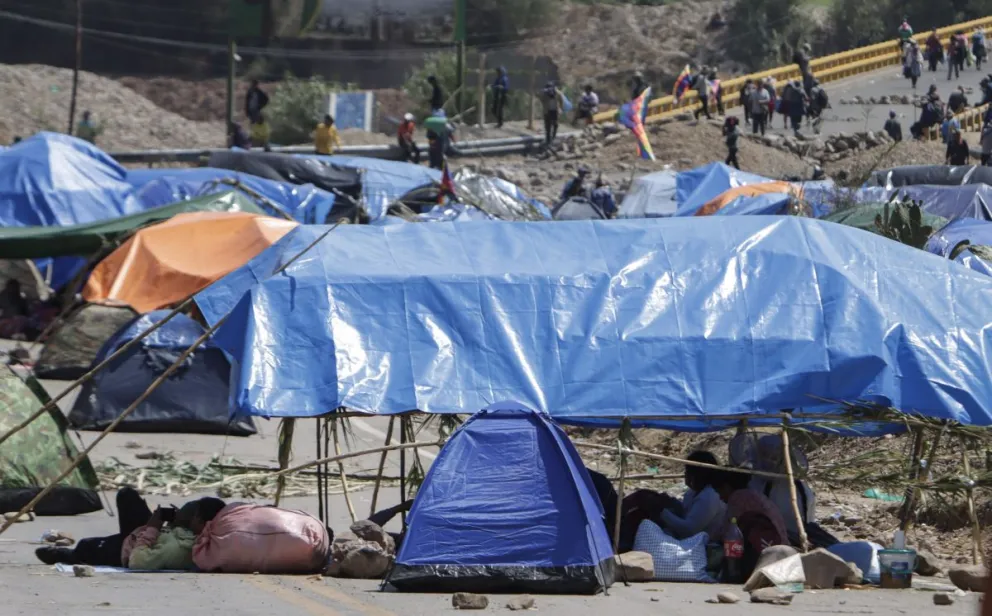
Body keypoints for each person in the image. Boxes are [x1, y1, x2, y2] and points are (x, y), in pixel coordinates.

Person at [713, 470, 789, 577]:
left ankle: (733, 574)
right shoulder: (754, 494)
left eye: (720, 491)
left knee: (728, 545)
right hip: (780, 548)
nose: (720, 497)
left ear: (726, 486)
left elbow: (727, 530)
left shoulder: (738, 497)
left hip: (763, 549)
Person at [746, 435, 816, 543]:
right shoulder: (803, 487)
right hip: (801, 542)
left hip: (773, 545)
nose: (770, 460)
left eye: (774, 457)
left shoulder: (756, 487)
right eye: (766, 455)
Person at [122, 498, 226, 570]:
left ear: (199, 521)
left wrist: (152, 529)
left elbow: (137, 562)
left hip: (125, 546)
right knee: (129, 495)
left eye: (195, 514)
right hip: (146, 533)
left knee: (126, 495)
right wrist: (176, 524)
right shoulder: (189, 535)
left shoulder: (181, 547)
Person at [659, 451, 727, 540]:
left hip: (705, 545)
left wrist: (661, 512)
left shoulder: (710, 495)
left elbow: (689, 530)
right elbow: (686, 511)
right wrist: (669, 502)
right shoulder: (692, 493)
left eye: (688, 471)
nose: (685, 475)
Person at [540, 81, 564, 146]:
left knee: (555, 125)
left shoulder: (557, 93)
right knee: (548, 125)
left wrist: (561, 109)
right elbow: (541, 99)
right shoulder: (545, 93)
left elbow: (561, 100)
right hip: (547, 111)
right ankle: (548, 139)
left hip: (555, 111)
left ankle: (553, 137)